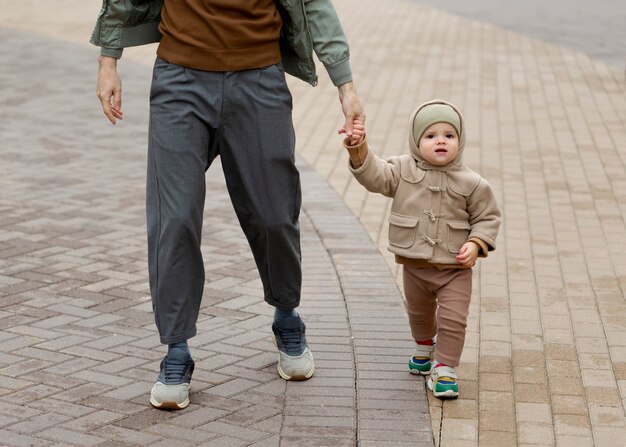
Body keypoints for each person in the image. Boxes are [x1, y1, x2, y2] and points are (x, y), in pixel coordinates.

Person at [91, 0, 364, 410]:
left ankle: (287, 315)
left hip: (259, 81)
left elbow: (313, 5)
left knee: (274, 214)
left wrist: (346, 86)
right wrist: (108, 61)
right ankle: (177, 350)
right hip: (179, 82)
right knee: (175, 217)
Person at [340, 100, 500, 398]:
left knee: (454, 319)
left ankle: (445, 367)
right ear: (416, 141)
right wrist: (358, 147)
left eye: (449, 135)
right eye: (431, 135)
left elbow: (487, 217)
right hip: (414, 266)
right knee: (419, 314)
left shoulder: (473, 183)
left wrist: (476, 243)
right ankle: (424, 346)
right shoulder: (401, 170)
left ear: (460, 141)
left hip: (454, 268)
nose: (440, 140)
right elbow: (374, 175)